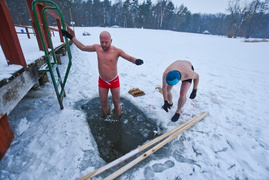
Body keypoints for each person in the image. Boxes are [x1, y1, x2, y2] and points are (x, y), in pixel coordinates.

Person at [61, 29, 143, 119]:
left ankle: (118, 119)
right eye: (102, 42)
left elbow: (129, 57)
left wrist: (136, 61)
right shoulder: (97, 48)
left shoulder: (117, 51)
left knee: (116, 102)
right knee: (103, 103)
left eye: (106, 42)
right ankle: (105, 118)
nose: (103, 44)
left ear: (111, 41)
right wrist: (70, 36)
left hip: (114, 81)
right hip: (102, 81)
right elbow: (83, 47)